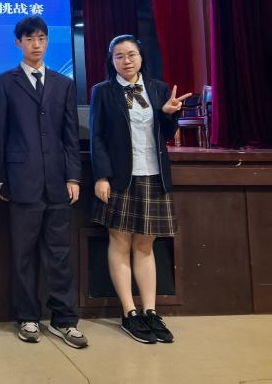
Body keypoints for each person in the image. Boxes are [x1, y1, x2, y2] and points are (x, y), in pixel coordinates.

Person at [0, 16, 88, 349]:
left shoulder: (63, 84)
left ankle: (64, 320)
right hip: (21, 182)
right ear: (18, 42)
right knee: (23, 255)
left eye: (42, 38)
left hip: (58, 182)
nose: (36, 44)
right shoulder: (3, 83)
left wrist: (73, 175)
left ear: (47, 41)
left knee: (60, 254)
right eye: (30, 39)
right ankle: (27, 317)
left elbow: (70, 136)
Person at [90, 34, 190, 344]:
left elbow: (167, 133)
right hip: (122, 178)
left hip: (154, 175)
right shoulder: (103, 91)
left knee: (146, 246)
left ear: (141, 57)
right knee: (120, 242)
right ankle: (129, 312)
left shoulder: (159, 89)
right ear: (112, 61)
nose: (126, 61)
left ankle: (150, 311)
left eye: (131, 54)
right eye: (119, 56)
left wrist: (170, 114)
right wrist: (102, 176)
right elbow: (97, 137)